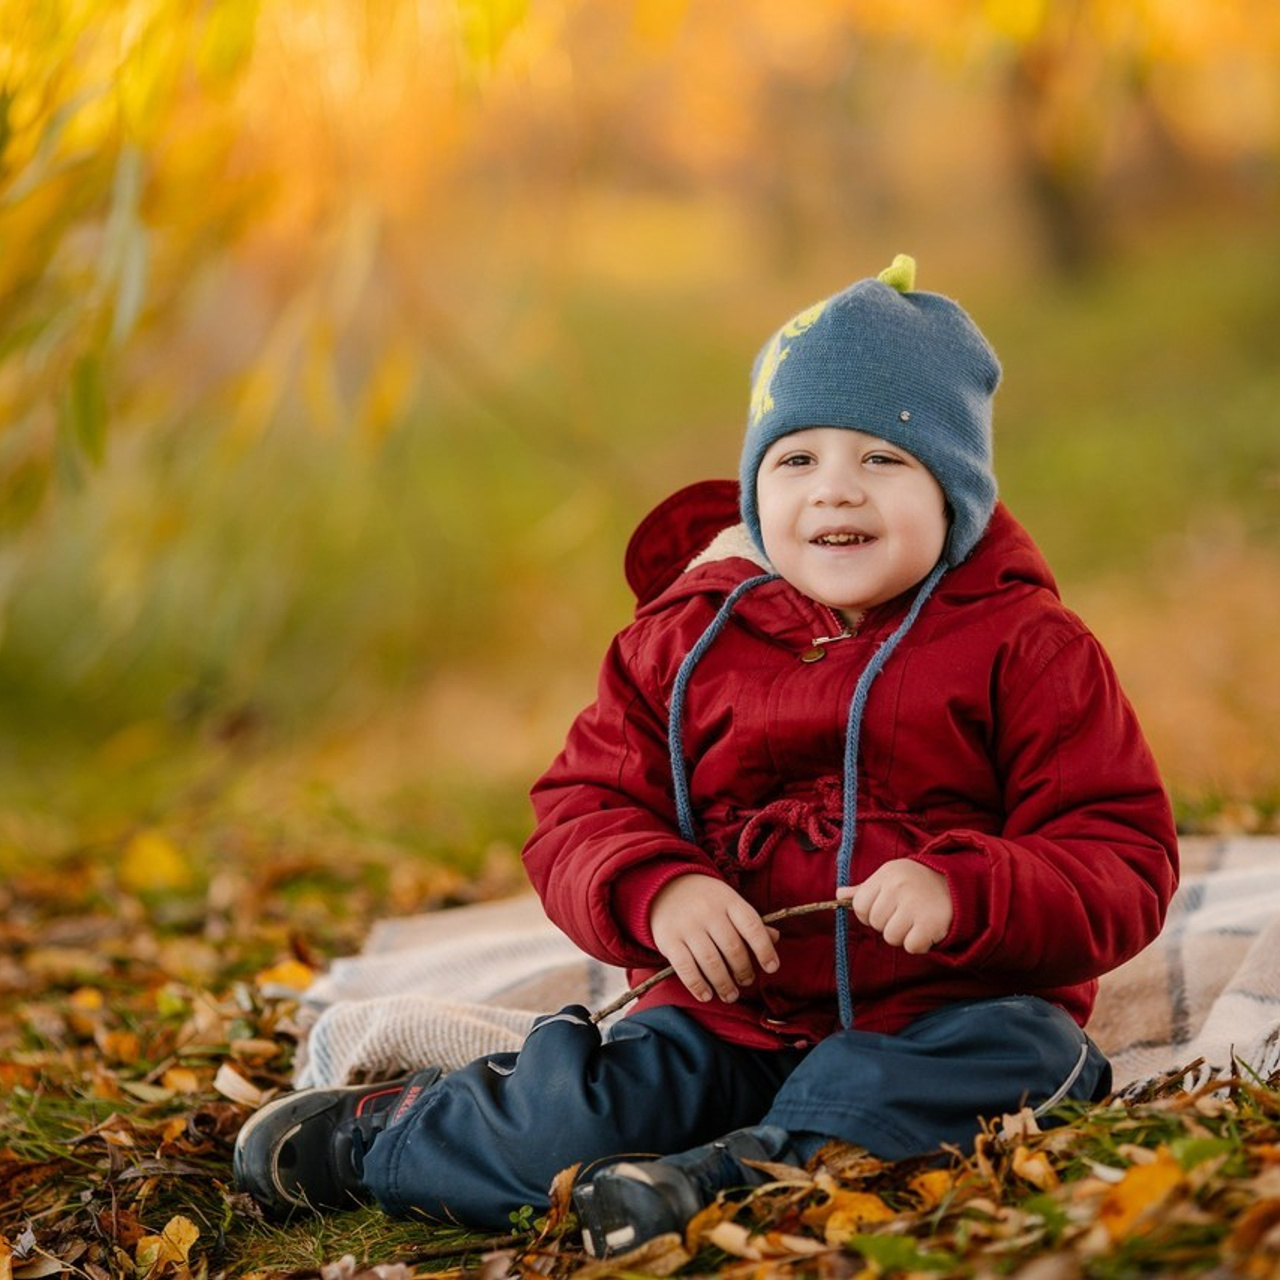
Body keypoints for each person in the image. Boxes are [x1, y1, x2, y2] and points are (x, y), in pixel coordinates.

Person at [233, 255, 1179, 1255]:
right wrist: (657, 889)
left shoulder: (1025, 647)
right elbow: (582, 805)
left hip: (935, 1017)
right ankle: (388, 1140)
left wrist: (966, 890)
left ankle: (717, 1180)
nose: (834, 491)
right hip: (728, 1018)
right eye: (796, 459)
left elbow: (1117, 850)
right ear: (753, 483)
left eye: (883, 459)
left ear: (957, 488)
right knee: (587, 1105)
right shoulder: (684, 641)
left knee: (1025, 1056)